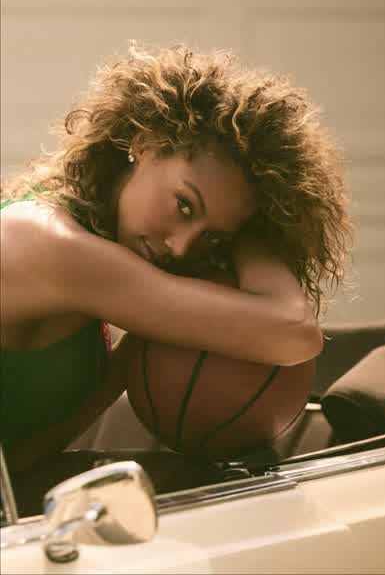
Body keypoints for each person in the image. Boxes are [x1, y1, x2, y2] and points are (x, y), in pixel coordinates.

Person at [0, 41, 353, 473]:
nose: (182, 247)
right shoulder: (49, 244)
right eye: (185, 206)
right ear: (146, 143)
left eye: (213, 238)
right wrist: (256, 238)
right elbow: (294, 332)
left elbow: (26, 456)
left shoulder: (90, 261)